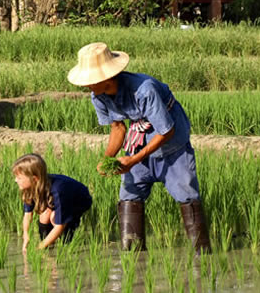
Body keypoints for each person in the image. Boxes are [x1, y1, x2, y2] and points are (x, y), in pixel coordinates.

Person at [67, 42, 211, 254]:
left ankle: (203, 256)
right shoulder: (98, 96)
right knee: (129, 195)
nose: (86, 86)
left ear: (106, 78)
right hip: (139, 139)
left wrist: (133, 160)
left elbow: (166, 131)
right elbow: (118, 128)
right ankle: (133, 257)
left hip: (172, 144)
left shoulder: (144, 90)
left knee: (186, 195)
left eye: (90, 81)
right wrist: (108, 158)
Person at [12, 153, 92, 252]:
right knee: (44, 215)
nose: (15, 180)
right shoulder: (30, 188)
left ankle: (66, 246)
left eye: (19, 178)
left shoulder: (58, 190)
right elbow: (28, 215)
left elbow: (59, 226)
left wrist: (38, 248)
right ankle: (49, 247)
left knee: (55, 218)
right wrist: (26, 235)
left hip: (78, 200)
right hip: (55, 199)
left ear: (34, 179)